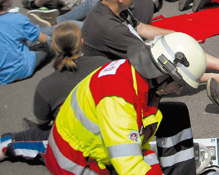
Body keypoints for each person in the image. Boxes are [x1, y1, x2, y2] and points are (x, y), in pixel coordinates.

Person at [45, 32, 207, 174]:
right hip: (77, 163)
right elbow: (130, 167)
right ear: (165, 72)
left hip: (95, 146)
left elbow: (138, 140)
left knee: (175, 114)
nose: (178, 91)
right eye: (179, 85)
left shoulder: (138, 76)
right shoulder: (118, 100)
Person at [82, 0, 219, 91]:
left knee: (175, 42)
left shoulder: (113, 5)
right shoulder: (107, 27)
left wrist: (174, 35)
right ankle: (212, 76)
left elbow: (140, 28)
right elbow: (152, 61)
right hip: (112, 75)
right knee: (167, 54)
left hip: (131, 52)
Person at [0, 23, 109, 164]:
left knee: (9, 141)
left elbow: (43, 120)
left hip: (77, 145)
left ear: (53, 46)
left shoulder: (46, 85)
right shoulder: (103, 64)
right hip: (111, 134)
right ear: (82, 42)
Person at [0, 0, 53, 85]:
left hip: (2, 75)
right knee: (48, 42)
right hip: (22, 69)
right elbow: (42, 38)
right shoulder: (17, 19)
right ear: (5, 2)